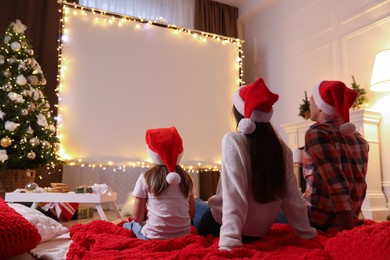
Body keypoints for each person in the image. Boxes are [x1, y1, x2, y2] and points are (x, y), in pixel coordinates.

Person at [192, 78, 317, 250]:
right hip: (260, 231)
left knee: (196, 201)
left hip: (221, 225)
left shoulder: (233, 141)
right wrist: (306, 232)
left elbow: (233, 194)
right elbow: (292, 198)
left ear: (239, 114)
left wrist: (229, 240)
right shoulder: (282, 148)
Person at [302, 80, 369, 232]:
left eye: (312, 99)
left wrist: (347, 233)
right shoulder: (359, 138)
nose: (309, 103)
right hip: (353, 214)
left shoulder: (317, 133)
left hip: (320, 220)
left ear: (320, 106)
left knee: (274, 207)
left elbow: (337, 185)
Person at [123, 127, 195, 240]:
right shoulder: (187, 178)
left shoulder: (145, 177)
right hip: (184, 234)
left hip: (152, 237)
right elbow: (191, 214)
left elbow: (137, 217)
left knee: (129, 225)